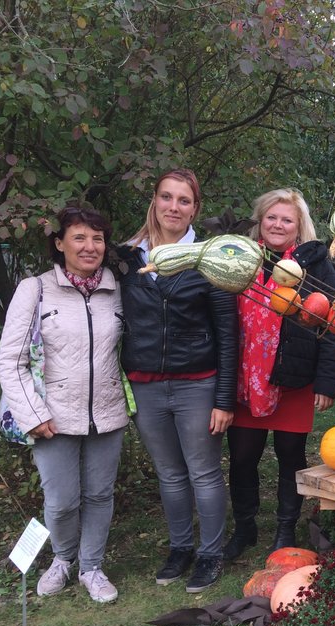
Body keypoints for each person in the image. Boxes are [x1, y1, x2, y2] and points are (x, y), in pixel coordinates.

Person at [0, 207, 128, 603]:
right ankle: (62, 559)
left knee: (100, 496)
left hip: (107, 411)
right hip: (51, 415)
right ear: (59, 244)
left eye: (98, 239)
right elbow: (10, 359)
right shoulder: (35, 289)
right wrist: (32, 415)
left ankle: (91, 567)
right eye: (79, 238)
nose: (90, 247)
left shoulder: (117, 290)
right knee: (61, 499)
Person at [117, 169, 238, 593]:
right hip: (147, 385)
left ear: (195, 209)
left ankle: (210, 553)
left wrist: (225, 399)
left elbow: (227, 333)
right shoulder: (128, 258)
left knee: (203, 472)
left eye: (183, 200)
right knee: (169, 474)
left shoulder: (210, 260)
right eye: (166, 197)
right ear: (154, 200)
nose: (173, 206)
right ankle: (180, 547)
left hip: (197, 383)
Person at [223, 188, 335, 559]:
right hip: (245, 376)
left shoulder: (314, 263)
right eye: (271, 217)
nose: (278, 224)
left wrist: (327, 381)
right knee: (242, 456)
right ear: (260, 221)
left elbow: (333, 321)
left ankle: (285, 529)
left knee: (290, 454)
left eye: (286, 219)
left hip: (294, 375)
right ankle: (244, 528)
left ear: (298, 226)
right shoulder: (240, 258)